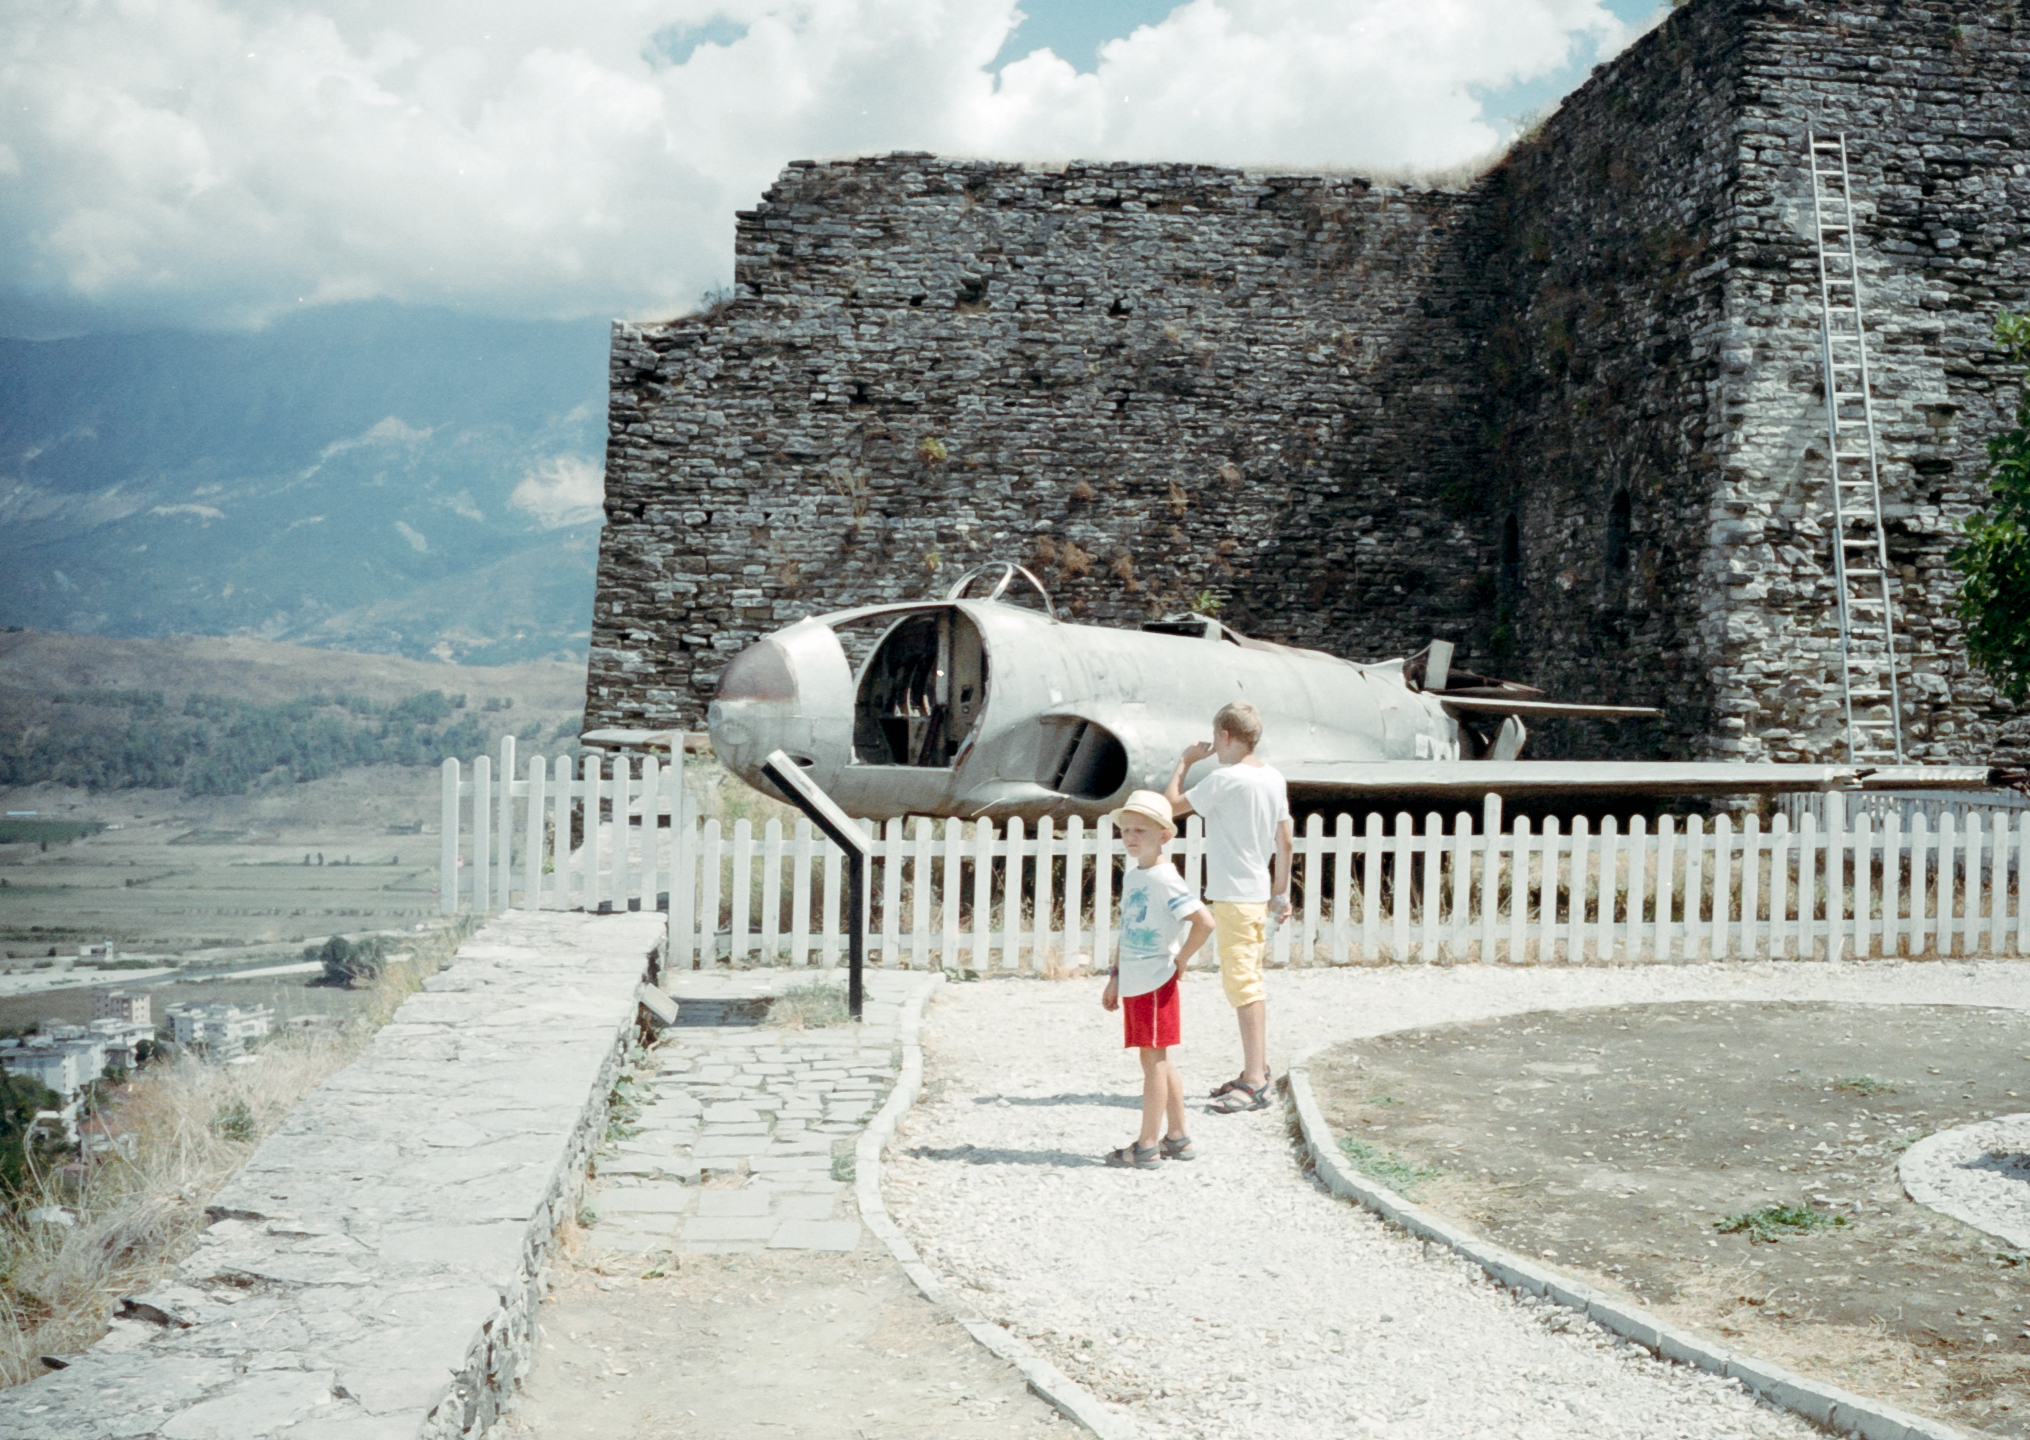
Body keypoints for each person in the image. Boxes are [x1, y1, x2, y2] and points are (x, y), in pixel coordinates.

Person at [1164, 700, 1292, 1114]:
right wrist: (1280, 892)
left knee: (1243, 985)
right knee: (1248, 978)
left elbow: (1169, 809)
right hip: (1256, 894)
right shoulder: (1273, 778)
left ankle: (1255, 1082)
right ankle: (1257, 1070)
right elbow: (1285, 840)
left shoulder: (1224, 780)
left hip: (1234, 896)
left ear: (1225, 735)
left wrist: (1183, 764)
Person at [1099, 790, 1214, 1169]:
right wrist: (1115, 976)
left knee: (1154, 1063)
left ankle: (1147, 1144)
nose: (1131, 837)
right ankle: (1178, 1137)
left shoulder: (1166, 878)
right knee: (1158, 1060)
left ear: (1164, 835)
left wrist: (1181, 959)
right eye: (1126, 830)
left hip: (1153, 981)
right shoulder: (1136, 876)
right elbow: (1128, 930)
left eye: (1141, 831)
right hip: (1134, 980)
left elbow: (1204, 922)